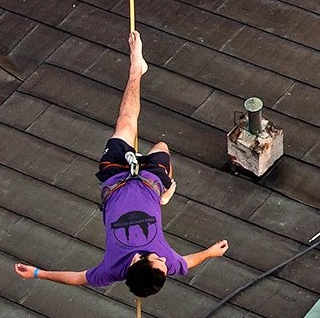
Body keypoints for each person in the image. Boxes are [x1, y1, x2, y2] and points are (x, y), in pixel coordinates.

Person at [13, 31, 229, 297]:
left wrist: (38, 274)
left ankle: (136, 69)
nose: (165, 261)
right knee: (162, 148)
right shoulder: (165, 262)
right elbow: (186, 262)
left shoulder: (113, 269)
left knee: (126, 120)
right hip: (150, 182)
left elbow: (79, 278)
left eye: (159, 263)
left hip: (115, 179)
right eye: (164, 264)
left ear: (139, 262)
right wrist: (209, 253)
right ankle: (165, 192)